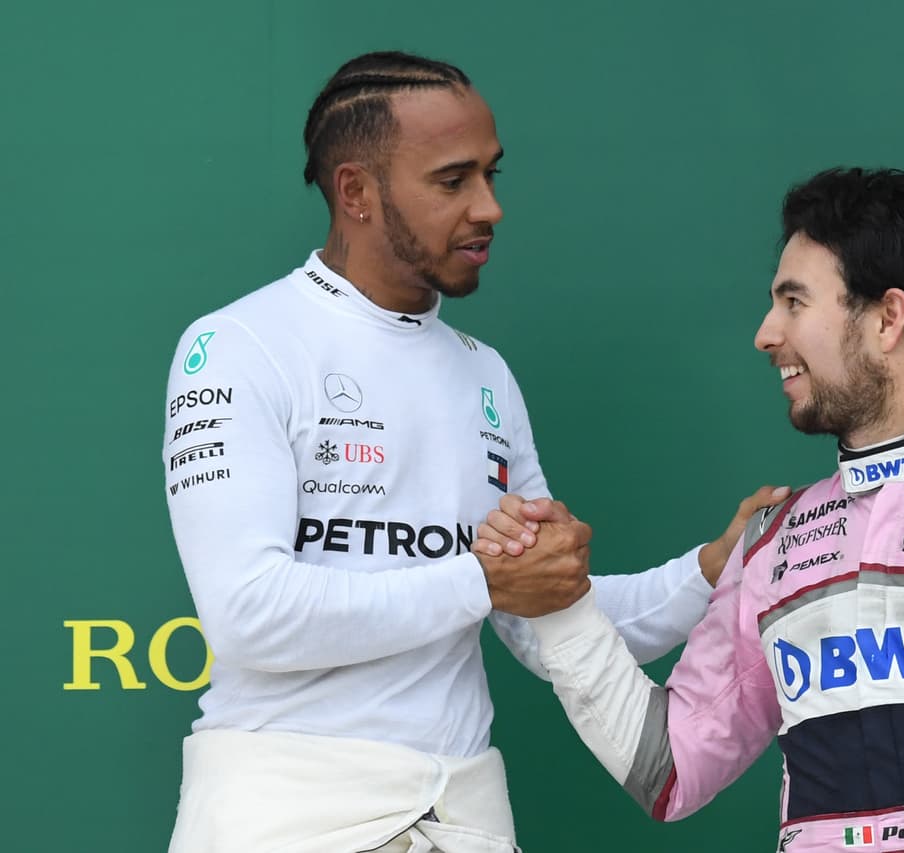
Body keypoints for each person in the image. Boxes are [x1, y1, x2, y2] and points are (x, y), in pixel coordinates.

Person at [161, 50, 784, 853]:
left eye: (491, 174)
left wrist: (710, 571)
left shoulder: (483, 374)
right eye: (453, 181)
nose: (489, 207)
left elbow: (545, 619)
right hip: (286, 819)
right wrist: (481, 579)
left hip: (465, 819)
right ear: (355, 192)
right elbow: (250, 616)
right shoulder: (239, 346)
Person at [480, 168, 904, 852]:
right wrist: (562, 607)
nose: (765, 333)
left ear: (888, 317)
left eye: (794, 302)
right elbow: (670, 767)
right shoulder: (778, 538)